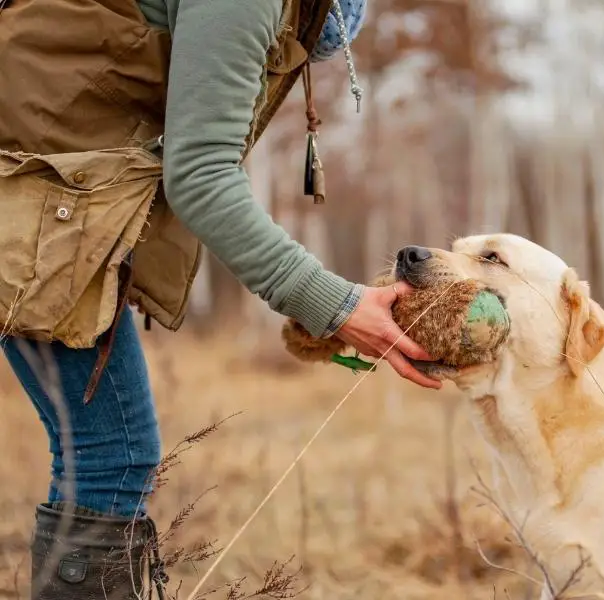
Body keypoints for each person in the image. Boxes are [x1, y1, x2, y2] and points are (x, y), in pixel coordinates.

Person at [0, 0, 440, 597]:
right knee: (114, 454)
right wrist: (334, 305)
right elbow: (200, 174)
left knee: (109, 453)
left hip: (39, 198)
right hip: (24, 207)